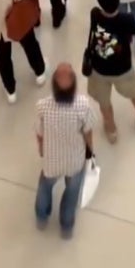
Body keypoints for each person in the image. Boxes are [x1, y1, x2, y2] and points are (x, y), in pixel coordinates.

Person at [34, 63, 98, 237]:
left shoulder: (42, 106)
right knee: (71, 193)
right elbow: (88, 132)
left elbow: (39, 134)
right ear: (75, 84)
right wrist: (90, 151)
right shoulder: (83, 106)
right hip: (75, 162)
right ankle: (66, 227)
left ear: (53, 85)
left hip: (51, 161)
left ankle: (41, 217)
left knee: (44, 187)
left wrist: (41, 150)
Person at [83, 0, 135, 140]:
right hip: (122, 68)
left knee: (104, 101)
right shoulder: (126, 19)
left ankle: (111, 129)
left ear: (99, 1)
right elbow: (133, 33)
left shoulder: (94, 14)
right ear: (118, 0)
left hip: (98, 68)